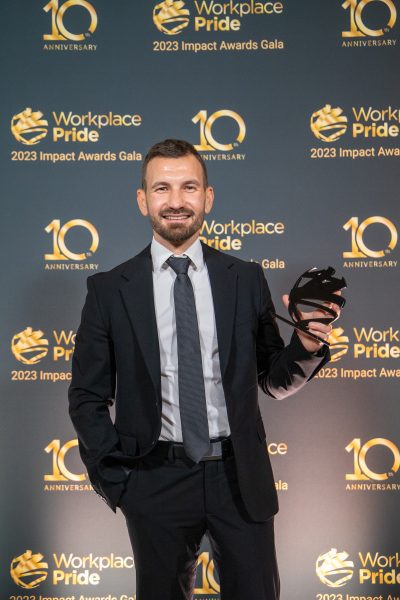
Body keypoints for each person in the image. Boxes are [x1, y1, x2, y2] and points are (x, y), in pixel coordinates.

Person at [68, 139, 337, 600]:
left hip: (239, 478)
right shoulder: (109, 289)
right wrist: (118, 482)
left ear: (208, 198)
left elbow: (271, 379)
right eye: (162, 189)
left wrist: (307, 343)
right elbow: (87, 397)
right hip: (154, 479)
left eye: (189, 187)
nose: (175, 201)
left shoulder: (245, 277)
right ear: (142, 200)